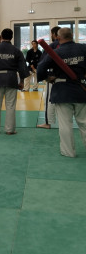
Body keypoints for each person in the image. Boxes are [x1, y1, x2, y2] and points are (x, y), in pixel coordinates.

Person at [37, 27, 86, 157]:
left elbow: (40, 68)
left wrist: (47, 78)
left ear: (58, 38)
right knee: (84, 122)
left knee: (65, 124)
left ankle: (68, 152)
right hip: (80, 89)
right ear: (72, 35)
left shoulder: (56, 52)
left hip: (62, 90)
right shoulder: (83, 48)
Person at [0, 28, 29, 135]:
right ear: (11, 37)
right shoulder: (16, 50)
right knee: (10, 106)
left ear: (1, 37)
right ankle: (9, 130)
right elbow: (22, 68)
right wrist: (21, 82)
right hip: (11, 78)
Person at [37, 26, 61, 129]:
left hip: (52, 77)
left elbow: (42, 63)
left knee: (49, 100)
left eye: (51, 34)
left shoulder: (52, 46)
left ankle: (48, 122)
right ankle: (63, 122)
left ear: (55, 34)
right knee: (65, 101)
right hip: (68, 77)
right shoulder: (70, 46)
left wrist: (46, 76)